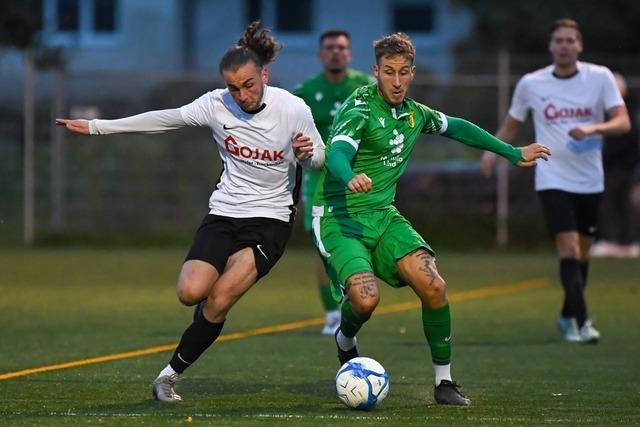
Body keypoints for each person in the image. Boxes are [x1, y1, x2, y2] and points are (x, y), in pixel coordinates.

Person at [56, 21, 325, 402]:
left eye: (249, 84)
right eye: (234, 87)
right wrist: (97, 127)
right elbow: (164, 119)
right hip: (225, 213)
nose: (242, 94)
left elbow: (321, 157)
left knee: (220, 299)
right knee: (190, 292)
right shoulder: (215, 104)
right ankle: (208, 312)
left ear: (264, 74)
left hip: (271, 221)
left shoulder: (293, 108)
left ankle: (168, 376)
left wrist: (307, 154)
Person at [312, 32, 550, 406]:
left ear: (412, 73)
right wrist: (349, 175)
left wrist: (510, 151)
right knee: (365, 299)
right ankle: (345, 340)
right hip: (340, 216)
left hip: (382, 214)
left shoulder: (414, 114)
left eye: (403, 72)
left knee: (434, 285)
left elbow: (458, 127)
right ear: (375, 71)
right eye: (388, 72)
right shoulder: (359, 109)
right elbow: (338, 153)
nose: (396, 80)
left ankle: (444, 383)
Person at [481, 19, 630, 343]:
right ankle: (582, 322)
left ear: (579, 45)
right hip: (551, 176)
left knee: (583, 254)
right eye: (559, 40)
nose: (564, 45)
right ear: (551, 46)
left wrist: (593, 129)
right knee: (569, 248)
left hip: (590, 178)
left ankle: (566, 315)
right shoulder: (531, 83)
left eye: (570, 40)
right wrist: (492, 151)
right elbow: (511, 124)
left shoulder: (600, 77)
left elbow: (623, 122)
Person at [294, 29, 374, 335]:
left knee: (358, 242)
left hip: (357, 178)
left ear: (350, 53)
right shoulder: (304, 92)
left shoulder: (366, 87)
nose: (335, 52)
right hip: (318, 180)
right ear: (320, 55)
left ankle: (355, 302)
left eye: (341, 47)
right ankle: (331, 313)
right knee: (322, 247)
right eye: (329, 47)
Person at [590, 72, 640, 258]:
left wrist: (607, 158)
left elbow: (625, 141)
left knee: (617, 203)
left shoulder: (626, 111)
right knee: (616, 203)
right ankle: (619, 242)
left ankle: (622, 242)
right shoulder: (618, 110)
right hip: (618, 165)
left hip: (621, 166)